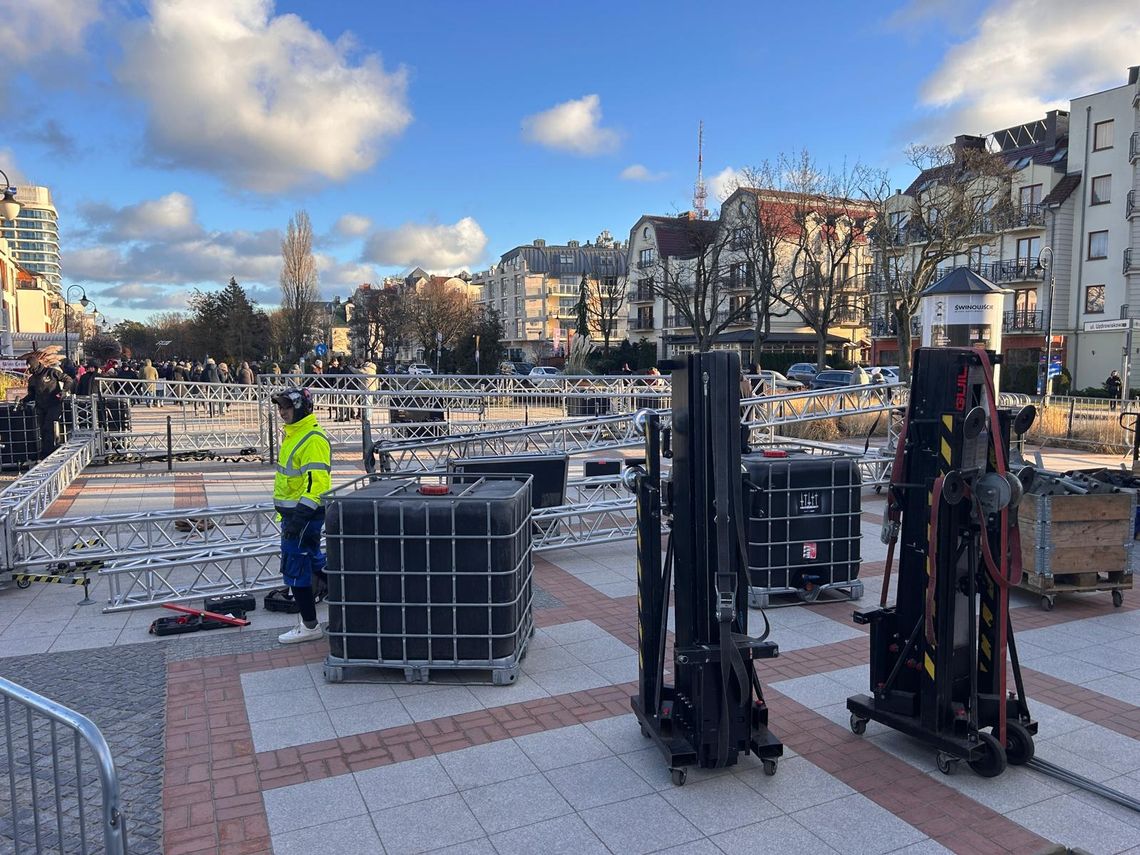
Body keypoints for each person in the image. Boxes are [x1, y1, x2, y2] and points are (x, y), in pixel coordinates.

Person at [271, 386, 331, 644]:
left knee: (295, 569)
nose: (282, 412)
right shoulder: (295, 435)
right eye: (280, 408)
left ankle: (309, 626)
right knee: (315, 562)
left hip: (304, 517)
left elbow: (318, 485)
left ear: (301, 409)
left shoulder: (311, 439)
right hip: (297, 516)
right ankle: (352, 600)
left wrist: (298, 520)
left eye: (287, 408)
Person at [21, 347, 74, 459]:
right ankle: (46, 451)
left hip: (54, 404)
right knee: (42, 430)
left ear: (35, 364)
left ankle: (48, 452)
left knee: (48, 427)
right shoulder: (32, 379)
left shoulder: (50, 372)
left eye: (30, 366)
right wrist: (23, 400)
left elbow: (68, 379)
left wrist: (64, 391)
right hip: (41, 406)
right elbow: (31, 394)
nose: (29, 368)